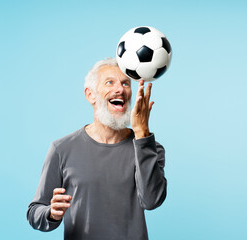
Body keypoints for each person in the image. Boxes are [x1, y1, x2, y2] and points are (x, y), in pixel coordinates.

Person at [27, 57, 167, 240]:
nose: (120, 89)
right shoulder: (62, 149)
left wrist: (142, 136)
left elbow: (152, 201)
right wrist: (51, 213)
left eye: (126, 84)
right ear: (90, 95)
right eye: (110, 82)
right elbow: (34, 212)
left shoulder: (149, 147)